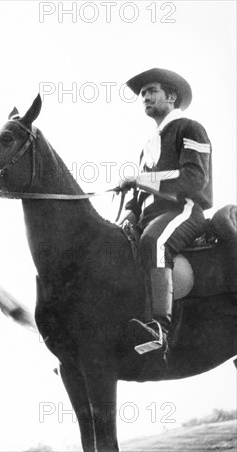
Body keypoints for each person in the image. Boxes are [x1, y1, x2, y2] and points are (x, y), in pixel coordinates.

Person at [120, 68, 212, 354]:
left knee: (155, 241)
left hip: (184, 210)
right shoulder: (146, 145)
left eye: (151, 91)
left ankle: (160, 329)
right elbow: (140, 193)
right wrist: (129, 213)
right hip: (150, 217)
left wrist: (142, 180)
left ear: (171, 96)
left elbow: (194, 179)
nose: (145, 97)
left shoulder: (189, 128)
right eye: (143, 94)